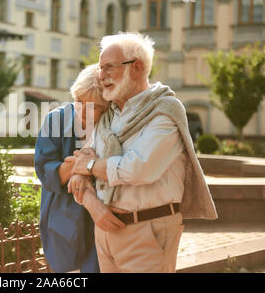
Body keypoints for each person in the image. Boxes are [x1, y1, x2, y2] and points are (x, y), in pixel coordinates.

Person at [68, 32, 218, 273]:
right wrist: (92, 203)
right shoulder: (109, 114)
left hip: (147, 229)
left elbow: (137, 169)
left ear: (136, 67)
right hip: (105, 228)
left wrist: (89, 167)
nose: (101, 76)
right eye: (100, 68)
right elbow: (78, 169)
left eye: (109, 68)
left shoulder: (165, 110)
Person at [34, 64, 110, 273]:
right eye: (78, 101)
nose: (82, 110)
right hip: (64, 216)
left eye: (92, 106)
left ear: (106, 106)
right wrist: (79, 165)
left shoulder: (112, 123)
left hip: (103, 216)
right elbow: (45, 171)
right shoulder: (56, 119)